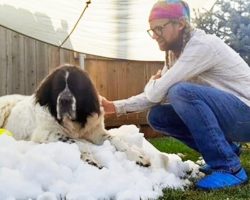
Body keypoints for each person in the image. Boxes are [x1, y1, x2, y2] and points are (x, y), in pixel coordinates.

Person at [100, 0, 250, 190]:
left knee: (181, 92)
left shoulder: (201, 46)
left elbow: (156, 91)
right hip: (232, 116)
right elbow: (153, 96)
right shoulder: (175, 54)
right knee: (157, 116)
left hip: (246, 115)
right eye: (151, 30)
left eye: (159, 29)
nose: (154, 35)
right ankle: (226, 151)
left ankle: (230, 168)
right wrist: (114, 106)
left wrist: (153, 83)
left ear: (180, 24)